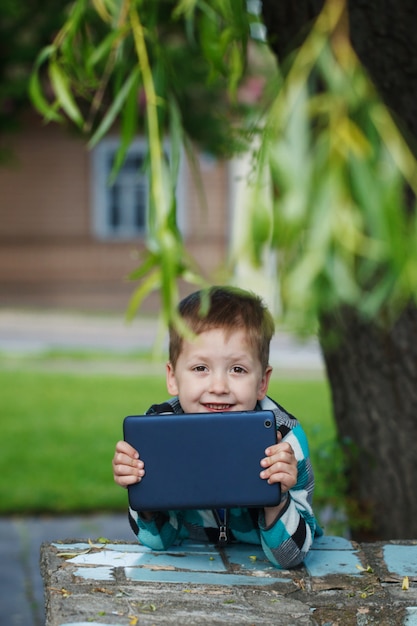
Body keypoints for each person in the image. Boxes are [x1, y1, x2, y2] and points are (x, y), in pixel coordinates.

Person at [113, 286, 322, 568]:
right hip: (191, 571)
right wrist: (142, 493)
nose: (219, 387)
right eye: (201, 368)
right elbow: (157, 542)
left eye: (238, 369)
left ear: (262, 382)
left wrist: (277, 499)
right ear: (173, 378)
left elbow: (291, 557)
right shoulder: (159, 433)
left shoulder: (285, 442)